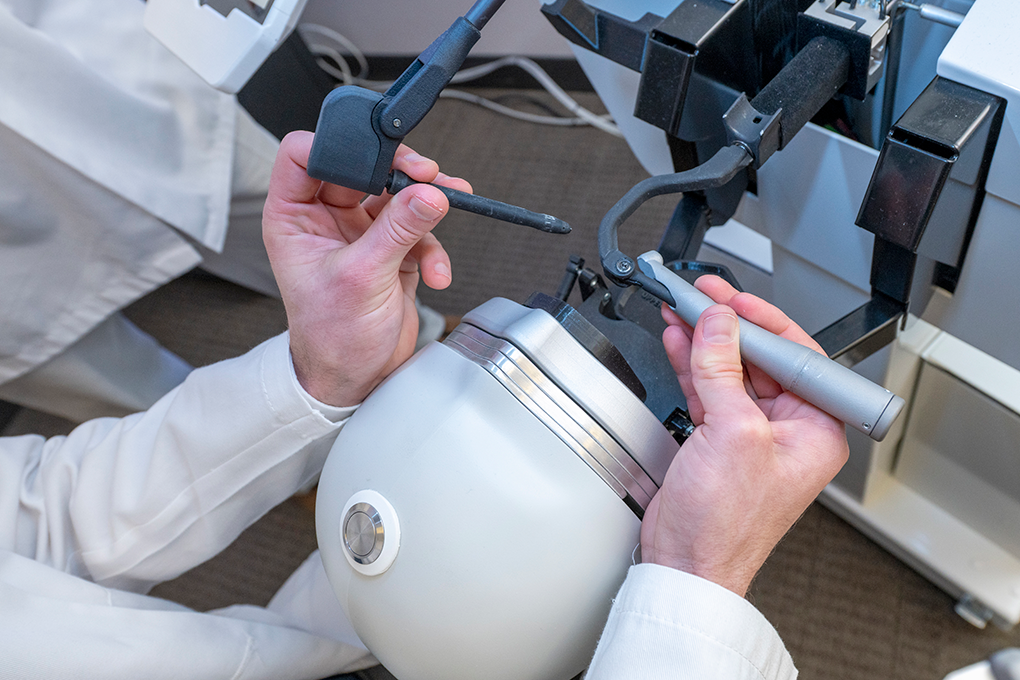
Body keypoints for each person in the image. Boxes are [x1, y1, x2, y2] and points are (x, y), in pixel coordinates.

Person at [0, 131, 848, 679]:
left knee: (389, 589)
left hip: (325, 623)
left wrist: (319, 376)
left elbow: (45, 518)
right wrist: (696, 586)